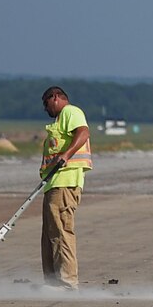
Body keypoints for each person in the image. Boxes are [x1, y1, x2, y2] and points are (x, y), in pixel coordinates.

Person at [39, 86, 93, 291]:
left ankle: (67, 282)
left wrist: (66, 155)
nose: (45, 109)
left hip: (65, 183)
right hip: (53, 185)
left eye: (46, 104)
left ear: (55, 98)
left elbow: (84, 132)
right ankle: (52, 282)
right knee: (49, 236)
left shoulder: (71, 112)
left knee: (61, 232)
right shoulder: (58, 121)